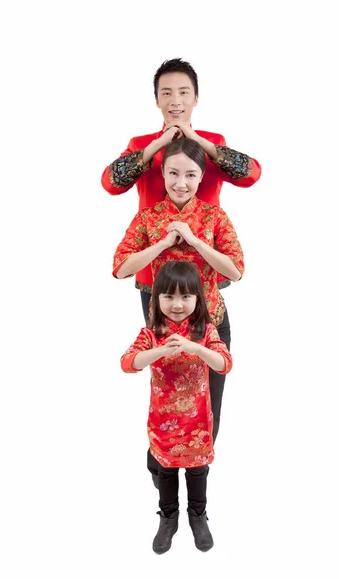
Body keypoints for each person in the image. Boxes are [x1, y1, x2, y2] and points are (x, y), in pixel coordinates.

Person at [113, 138, 244, 486]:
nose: (181, 182)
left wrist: (197, 241)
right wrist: (164, 243)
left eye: (190, 174)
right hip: (163, 327)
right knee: (165, 399)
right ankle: (161, 472)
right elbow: (121, 267)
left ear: (202, 177)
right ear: (164, 174)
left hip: (210, 324)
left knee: (208, 405)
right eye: (173, 173)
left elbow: (236, 270)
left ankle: (198, 483)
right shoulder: (149, 218)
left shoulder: (214, 216)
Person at [102, 57, 261, 320]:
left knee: (211, 348)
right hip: (153, 268)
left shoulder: (212, 142)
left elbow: (251, 175)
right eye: (166, 93)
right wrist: (157, 144)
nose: (175, 100)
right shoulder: (140, 144)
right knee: (164, 350)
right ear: (157, 100)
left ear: (196, 98)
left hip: (206, 266)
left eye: (184, 92)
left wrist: (198, 141)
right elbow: (110, 183)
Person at [121, 261, 233, 553]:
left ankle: (198, 515)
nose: (177, 304)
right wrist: (159, 351)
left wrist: (197, 348)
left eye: (186, 296)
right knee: (166, 473)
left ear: (198, 297)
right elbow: (127, 363)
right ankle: (168, 517)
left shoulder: (206, 330)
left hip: (196, 424)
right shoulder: (151, 333)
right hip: (163, 423)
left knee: (197, 472)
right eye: (168, 296)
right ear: (156, 299)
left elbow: (224, 364)